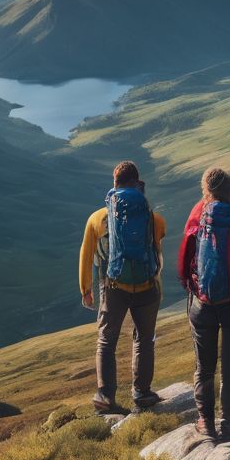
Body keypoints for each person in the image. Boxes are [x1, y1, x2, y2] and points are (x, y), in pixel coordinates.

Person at [177, 167, 230, 442]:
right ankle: (228, 425)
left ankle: (205, 422)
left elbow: (183, 263)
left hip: (203, 305)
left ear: (206, 190)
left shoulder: (198, 218)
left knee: (205, 367)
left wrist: (191, 284)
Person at [79, 161, 166, 414]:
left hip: (113, 287)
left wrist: (86, 289)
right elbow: (159, 242)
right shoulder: (153, 217)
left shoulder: (97, 219)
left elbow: (86, 255)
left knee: (106, 342)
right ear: (137, 183)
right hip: (147, 287)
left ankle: (105, 397)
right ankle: (142, 392)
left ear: (114, 184)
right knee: (144, 339)